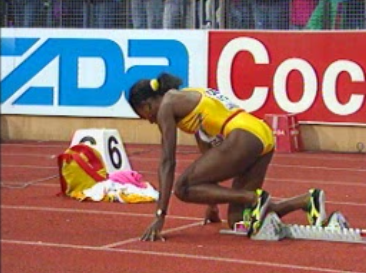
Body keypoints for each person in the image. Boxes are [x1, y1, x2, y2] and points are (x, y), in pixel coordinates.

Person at [128, 72, 328, 241]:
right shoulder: (187, 96)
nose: (149, 121)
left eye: (142, 116)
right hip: (260, 133)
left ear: (146, 105)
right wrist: (211, 202)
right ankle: (306, 201)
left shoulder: (166, 106)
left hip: (244, 134)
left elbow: (167, 162)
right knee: (237, 220)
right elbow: (206, 148)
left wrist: (160, 215)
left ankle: (252, 198)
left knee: (182, 188)